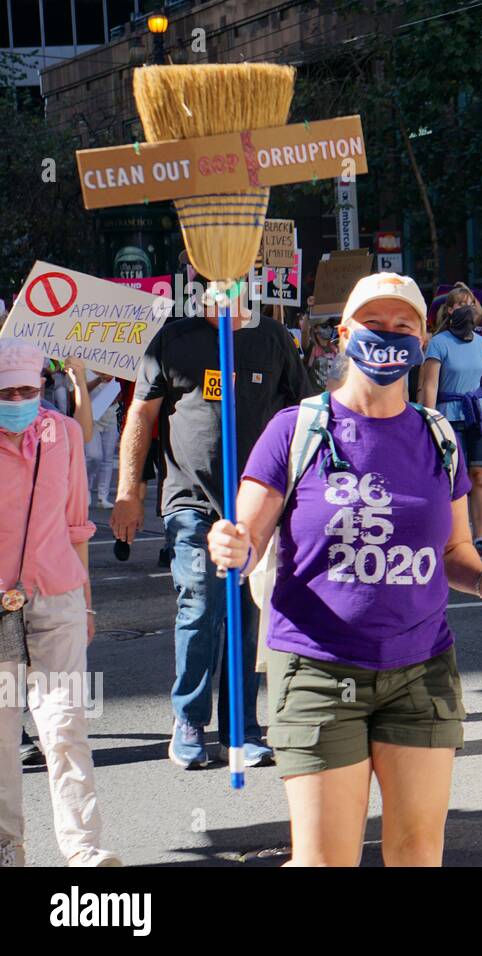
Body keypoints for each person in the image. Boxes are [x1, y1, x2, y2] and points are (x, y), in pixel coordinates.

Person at [205, 273, 482, 866]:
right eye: (375, 324)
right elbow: (249, 540)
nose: (389, 336)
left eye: (405, 326)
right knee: (326, 860)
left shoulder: (439, 437)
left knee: (417, 853)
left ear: (423, 341)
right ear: (344, 333)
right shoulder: (293, 430)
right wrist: (232, 544)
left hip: (422, 669)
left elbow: (456, 555)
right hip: (319, 672)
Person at [111, 286, 309, 770]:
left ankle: (241, 728)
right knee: (200, 604)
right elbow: (142, 414)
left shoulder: (274, 339)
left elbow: (303, 412)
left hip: (256, 506)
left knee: (246, 612)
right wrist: (128, 492)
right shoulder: (172, 340)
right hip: (191, 501)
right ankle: (189, 721)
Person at [0, 339, 120, 867]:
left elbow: (78, 527)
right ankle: (8, 848)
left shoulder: (64, 435)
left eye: (28, 389)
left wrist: (88, 603)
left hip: (58, 601)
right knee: (2, 736)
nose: (20, 399)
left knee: (66, 725)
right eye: (7, 392)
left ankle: (83, 849)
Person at [420, 304, 482, 559]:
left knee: (479, 475)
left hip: (479, 414)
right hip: (448, 416)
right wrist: (429, 420)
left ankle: (479, 539)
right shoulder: (439, 343)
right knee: (450, 479)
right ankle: (452, 538)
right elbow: (430, 384)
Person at [83, 372, 122, 509]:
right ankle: (85, 489)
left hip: (112, 413)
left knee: (108, 457)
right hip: (90, 414)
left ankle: (102, 497)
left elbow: (124, 390)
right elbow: (80, 390)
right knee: (94, 456)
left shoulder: (119, 368)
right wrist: (100, 379)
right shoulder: (85, 367)